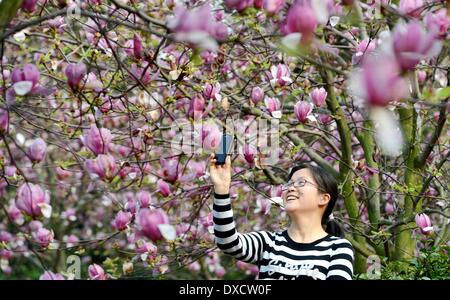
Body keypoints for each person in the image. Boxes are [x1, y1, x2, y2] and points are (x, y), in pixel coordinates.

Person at [209, 153, 354, 280]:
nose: (290, 188)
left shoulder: (338, 248)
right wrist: (221, 189)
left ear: (323, 198)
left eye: (301, 182)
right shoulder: (268, 242)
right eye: (289, 183)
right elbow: (228, 242)